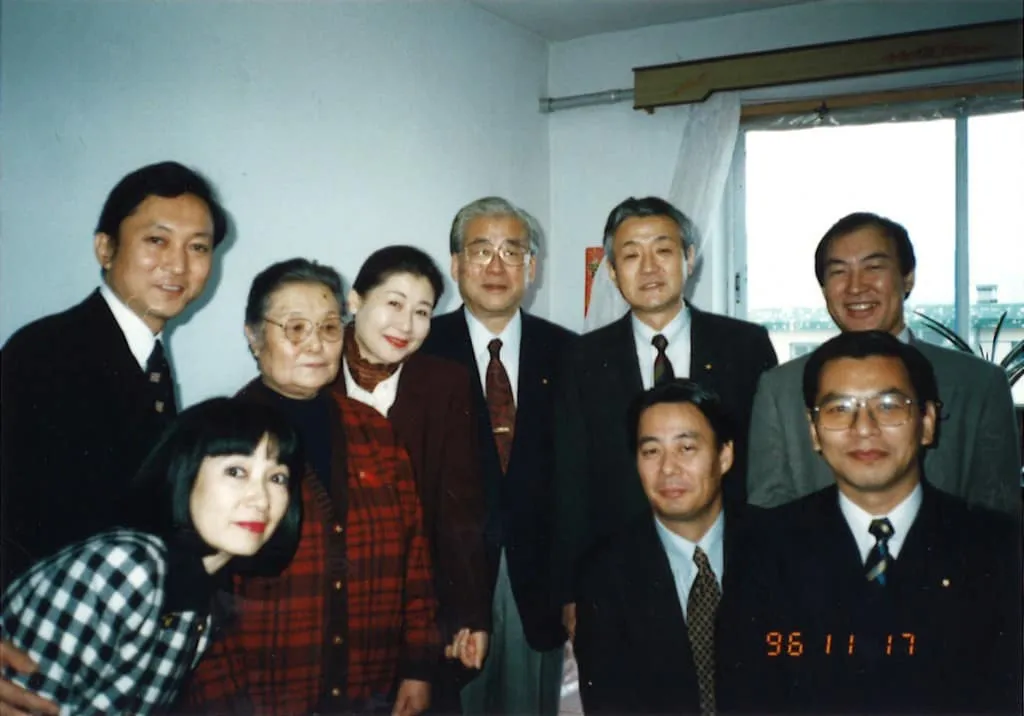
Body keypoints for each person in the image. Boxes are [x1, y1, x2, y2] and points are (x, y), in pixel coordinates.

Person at [182, 259, 440, 715]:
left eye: (328, 327)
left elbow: (414, 557)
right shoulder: (215, 439)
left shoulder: (373, 431)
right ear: (253, 334)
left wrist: (418, 666)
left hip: (370, 686)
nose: (317, 345)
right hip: (263, 695)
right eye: (296, 328)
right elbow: (192, 593)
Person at [718, 331, 1022, 714]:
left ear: (927, 422)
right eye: (839, 409)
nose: (864, 428)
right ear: (813, 431)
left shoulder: (999, 549)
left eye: (889, 405)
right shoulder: (762, 550)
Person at [552, 196, 777, 640]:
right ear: (612, 273)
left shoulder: (744, 346)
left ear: (689, 259)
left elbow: (764, 464)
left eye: (664, 250)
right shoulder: (581, 360)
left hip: (732, 565)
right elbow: (570, 482)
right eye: (631, 255)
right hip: (619, 575)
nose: (649, 267)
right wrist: (573, 589)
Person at [1, 160, 229, 587]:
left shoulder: (147, 356)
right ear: (105, 249)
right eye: (157, 240)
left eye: (197, 247)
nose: (178, 265)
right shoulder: (47, 351)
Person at [1, 397, 302, 714]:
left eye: (277, 477)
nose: (261, 498)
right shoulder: (127, 565)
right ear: (186, 472)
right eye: (237, 471)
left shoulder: (199, 601)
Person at [747, 211, 1020, 513]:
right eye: (838, 272)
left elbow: (999, 516)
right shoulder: (779, 388)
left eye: (873, 267)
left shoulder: (978, 384)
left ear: (908, 278)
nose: (855, 287)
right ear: (824, 289)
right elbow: (767, 513)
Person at [421, 197, 576, 716]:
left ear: (531, 268)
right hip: (447, 584)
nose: (495, 266)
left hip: (540, 583)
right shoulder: (418, 350)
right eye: (480, 250)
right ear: (456, 264)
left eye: (512, 253)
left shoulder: (570, 353)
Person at [334, 245, 491, 711]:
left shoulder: (445, 384)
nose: (406, 325)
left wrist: (471, 616)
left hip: (417, 612)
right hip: (331, 612)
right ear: (355, 300)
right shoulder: (313, 372)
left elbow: (459, 512)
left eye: (422, 312)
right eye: (394, 303)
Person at [574, 379, 762, 716]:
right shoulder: (604, 573)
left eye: (686, 448)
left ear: (724, 455)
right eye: (651, 451)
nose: (668, 468)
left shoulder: (778, 547)